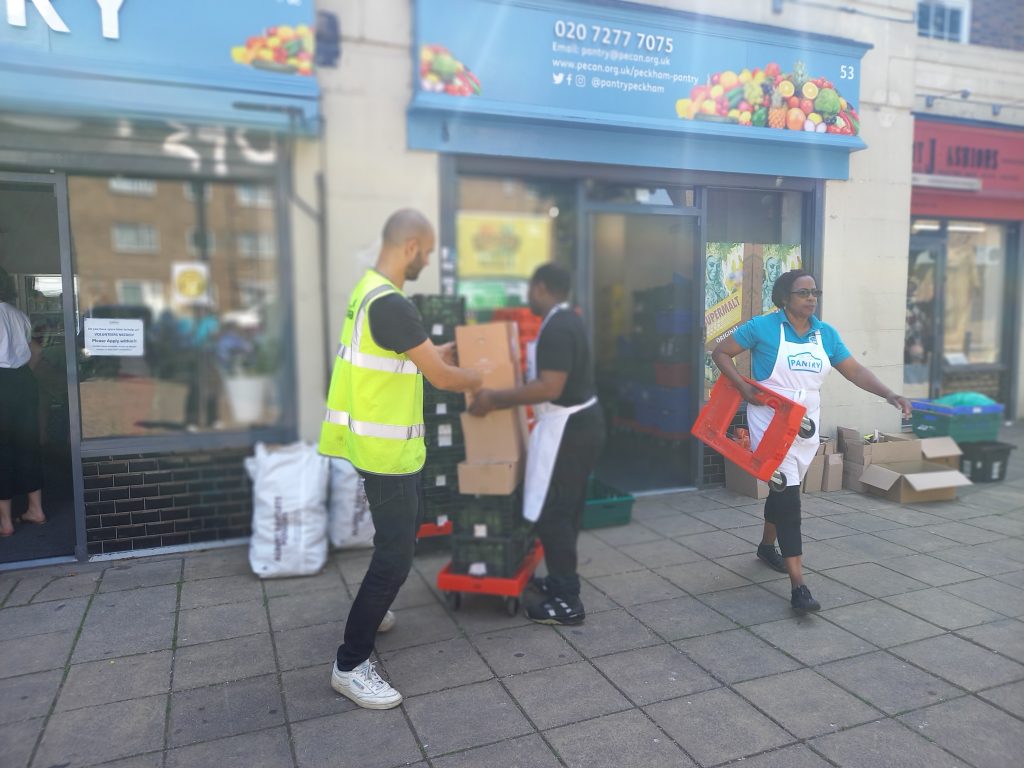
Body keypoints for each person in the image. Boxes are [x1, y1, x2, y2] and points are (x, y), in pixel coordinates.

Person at [319, 209, 481, 709]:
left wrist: (441, 350)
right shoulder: (392, 305)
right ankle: (351, 663)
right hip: (387, 454)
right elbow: (443, 379)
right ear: (411, 245)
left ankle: (375, 610)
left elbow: (406, 356)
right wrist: (486, 371)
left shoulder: (367, 291)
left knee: (397, 540)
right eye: (427, 252)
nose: (427, 261)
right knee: (396, 555)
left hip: (377, 445)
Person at [712, 269, 911, 613]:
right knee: (789, 497)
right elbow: (720, 352)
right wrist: (744, 389)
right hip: (770, 421)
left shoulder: (825, 334)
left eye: (814, 292)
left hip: (806, 424)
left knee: (783, 486)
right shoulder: (763, 327)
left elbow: (855, 371)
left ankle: (765, 547)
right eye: (803, 292)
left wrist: (889, 393)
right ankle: (799, 585)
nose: (811, 298)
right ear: (785, 297)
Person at [469, 263, 605, 625]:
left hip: (570, 429)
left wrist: (494, 398)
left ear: (542, 287)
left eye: (531, 289)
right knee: (566, 509)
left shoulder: (558, 327)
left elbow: (549, 387)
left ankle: (567, 602)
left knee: (554, 512)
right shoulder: (564, 319)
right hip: (577, 424)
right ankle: (561, 581)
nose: (528, 297)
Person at [0, 268, 46, 536]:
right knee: (27, 445)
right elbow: (35, 351)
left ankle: (5, 522)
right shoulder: (19, 315)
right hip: (23, 381)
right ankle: (35, 509)